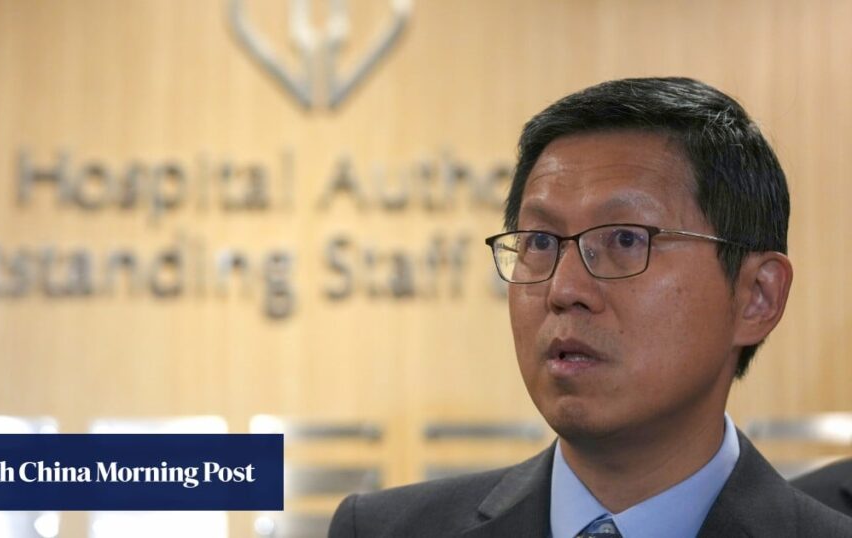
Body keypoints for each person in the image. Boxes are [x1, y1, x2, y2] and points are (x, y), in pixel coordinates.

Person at [328, 77, 852, 537]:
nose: (564, 289)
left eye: (625, 239)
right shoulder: (380, 530)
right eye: (539, 241)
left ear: (757, 296)